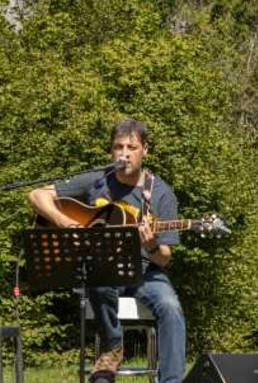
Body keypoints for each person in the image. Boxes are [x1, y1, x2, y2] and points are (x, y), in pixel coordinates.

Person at [28, 118, 185, 383]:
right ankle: (113, 347)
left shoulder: (161, 193)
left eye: (132, 147)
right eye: (118, 146)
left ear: (145, 150)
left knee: (171, 307)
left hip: (145, 272)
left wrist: (152, 245)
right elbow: (36, 195)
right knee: (98, 270)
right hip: (102, 272)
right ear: (111, 151)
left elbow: (165, 258)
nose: (124, 153)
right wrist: (64, 221)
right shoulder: (97, 180)